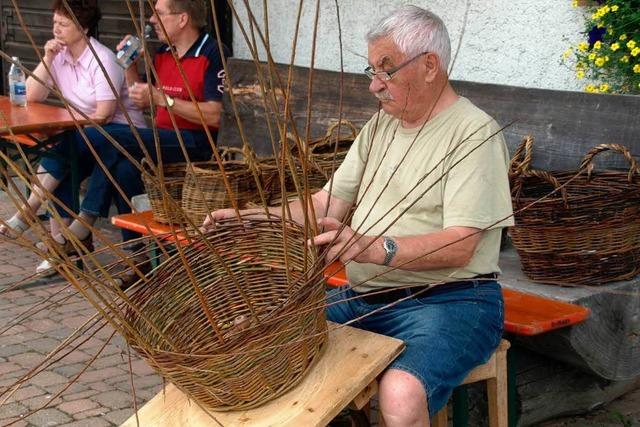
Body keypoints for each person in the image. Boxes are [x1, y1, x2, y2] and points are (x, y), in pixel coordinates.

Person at [205, 6, 513, 426]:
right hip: (365, 298)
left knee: (401, 392)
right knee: (261, 339)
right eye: (372, 70)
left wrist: (371, 248)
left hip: (452, 299)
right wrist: (253, 217)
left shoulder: (473, 133)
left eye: (386, 71)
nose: (374, 85)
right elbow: (325, 204)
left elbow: (462, 245)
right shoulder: (380, 127)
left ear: (429, 66)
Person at [4, 0, 227, 273]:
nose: (152, 21)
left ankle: (76, 227)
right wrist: (130, 65)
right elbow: (140, 97)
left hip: (195, 144)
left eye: (158, 14)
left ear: (182, 19)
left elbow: (216, 116)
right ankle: (137, 258)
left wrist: (163, 99)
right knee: (113, 162)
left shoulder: (213, 52)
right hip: (158, 139)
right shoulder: (163, 53)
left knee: (95, 138)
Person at [0, 0, 145, 274]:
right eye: (55, 22)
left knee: (64, 147)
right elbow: (30, 96)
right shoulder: (60, 55)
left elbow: (103, 114)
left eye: (64, 24)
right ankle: (61, 246)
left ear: (84, 28)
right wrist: (48, 57)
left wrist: (70, 126)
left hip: (117, 137)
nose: (57, 29)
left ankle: (34, 217)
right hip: (85, 138)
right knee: (60, 149)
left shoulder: (102, 59)